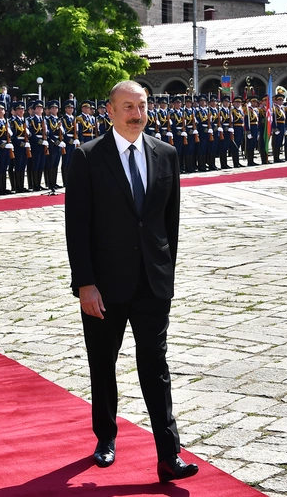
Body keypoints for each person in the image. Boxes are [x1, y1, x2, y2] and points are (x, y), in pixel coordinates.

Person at [65, 80, 198, 484]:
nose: (136, 113)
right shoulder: (87, 158)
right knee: (103, 364)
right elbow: (78, 227)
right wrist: (85, 283)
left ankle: (168, 454)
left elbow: (168, 222)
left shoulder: (166, 154)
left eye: (141, 105)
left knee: (155, 365)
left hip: (152, 284)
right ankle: (105, 437)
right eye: (127, 106)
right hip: (104, 287)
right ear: (110, 110)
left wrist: (167, 274)